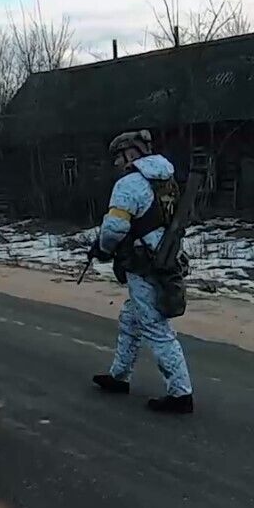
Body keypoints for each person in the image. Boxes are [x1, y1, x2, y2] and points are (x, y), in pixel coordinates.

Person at [89, 130, 194, 414]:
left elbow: (114, 228)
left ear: (131, 154)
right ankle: (119, 376)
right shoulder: (165, 180)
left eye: (118, 157)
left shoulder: (128, 184)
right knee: (130, 319)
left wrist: (103, 247)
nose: (116, 164)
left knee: (156, 328)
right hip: (164, 258)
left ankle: (180, 393)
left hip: (141, 263)